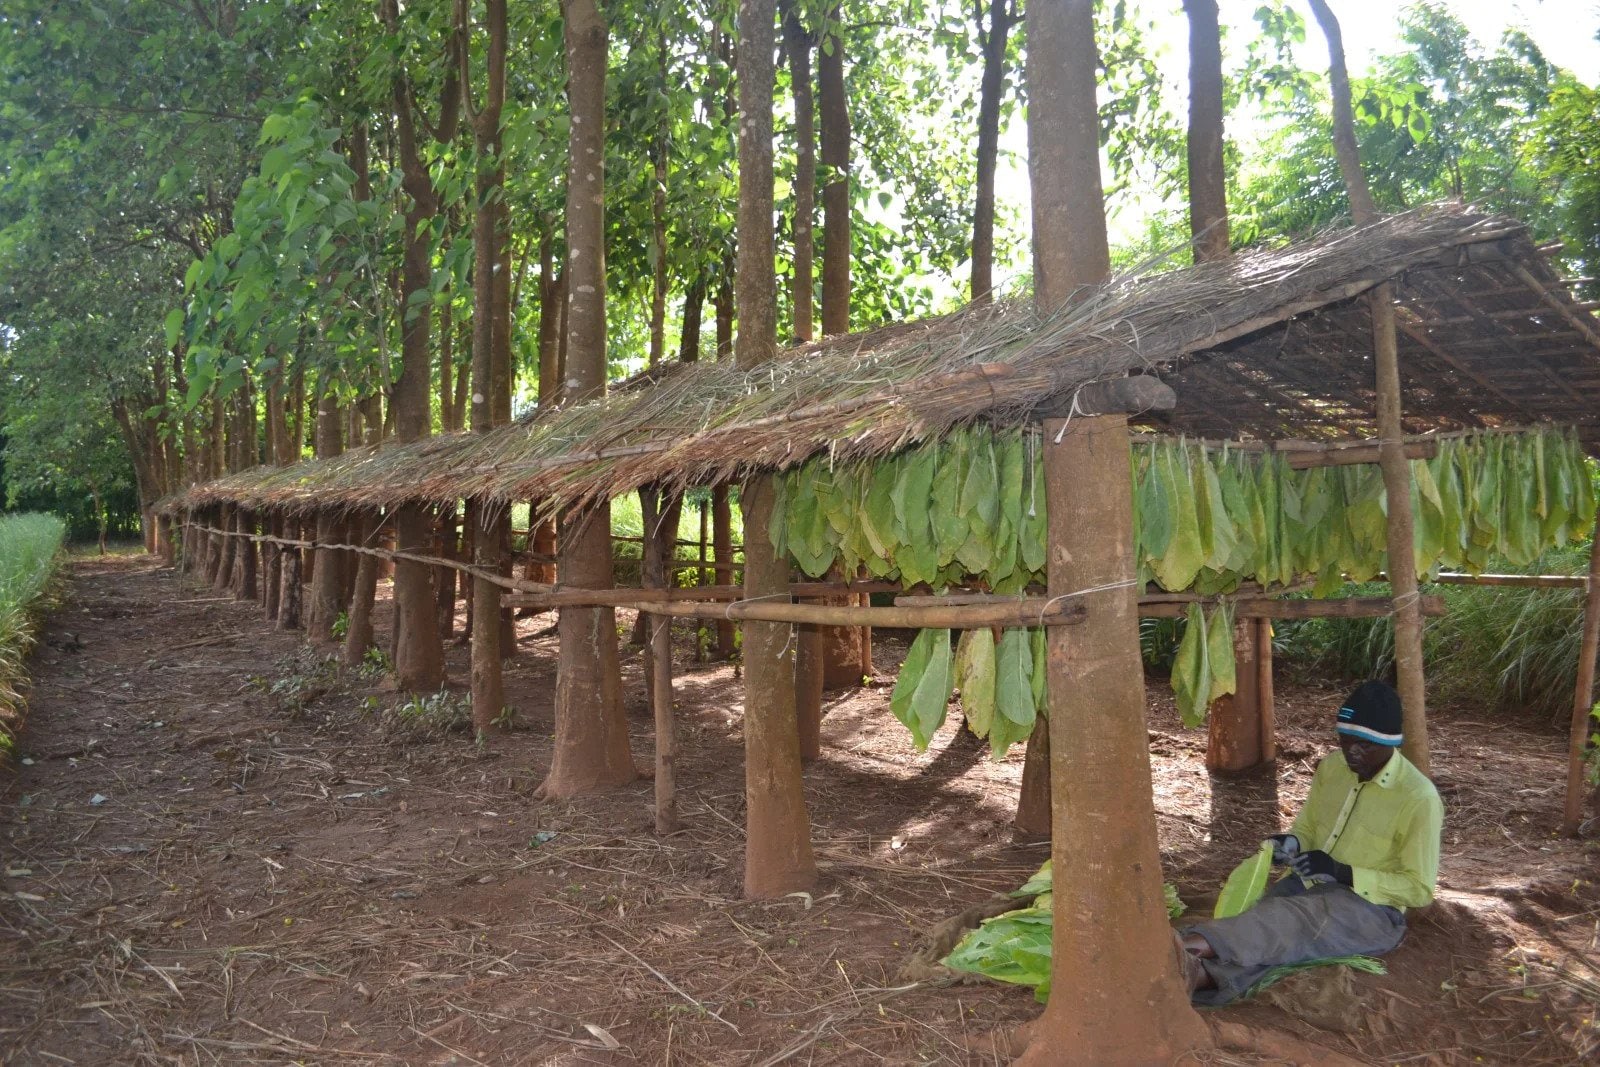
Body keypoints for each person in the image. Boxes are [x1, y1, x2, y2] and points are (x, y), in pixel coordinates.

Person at [1178, 680, 1443, 1005]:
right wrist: (1290, 845)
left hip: (1372, 913)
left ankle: (1179, 950)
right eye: (1345, 741)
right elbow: (1306, 830)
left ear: (1391, 745)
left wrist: (1342, 872)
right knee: (1270, 929)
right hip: (1307, 887)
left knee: (1284, 921)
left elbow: (1419, 889)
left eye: (1365, 745)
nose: (1352, 753)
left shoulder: (1418, 798)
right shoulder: (1333, 769)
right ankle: (1196, 978)